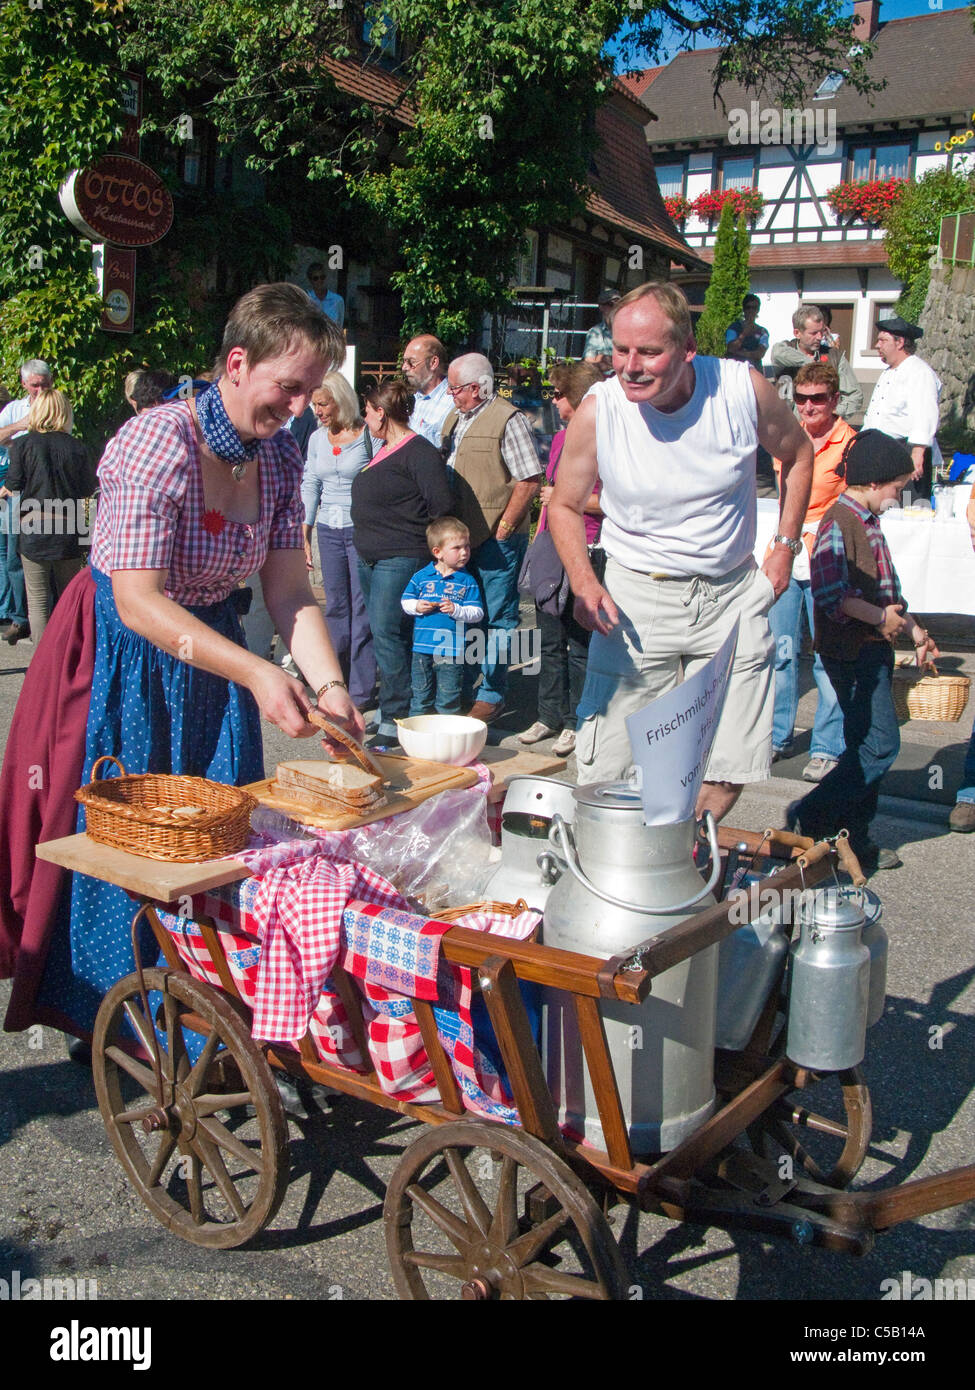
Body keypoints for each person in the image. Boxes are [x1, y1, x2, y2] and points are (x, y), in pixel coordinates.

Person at [0, 282, 361, 1039]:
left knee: (211, 840)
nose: (298, 409)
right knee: (124, 834)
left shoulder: (280, 456)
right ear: (236, 362)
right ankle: (112, 1015)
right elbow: (138, 601)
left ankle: (203, 1012)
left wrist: (328, 683)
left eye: (308, 393)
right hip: (121, 654)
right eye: (286, 389)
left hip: (210, 655)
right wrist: (260, 672)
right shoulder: (156, 440)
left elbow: (290, 589)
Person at [547, 280, 813, 821]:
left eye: (649, 351)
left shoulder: (741, 388)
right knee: (608, 768)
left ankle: (682, 865)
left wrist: (784, 545)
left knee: (727, 764)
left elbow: (799, 453)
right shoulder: (600, 410)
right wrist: (583, 579)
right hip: (635, 598)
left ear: (688, 348)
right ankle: (620, 872)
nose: (630, 366)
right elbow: (563, 504)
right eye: (621, 350)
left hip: (732, 595)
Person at [787, 430, 939, 874]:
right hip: (852, 654)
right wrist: (878, 619)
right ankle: (812, 812)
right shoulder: (840, 522)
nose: (897, 497)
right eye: (895, 488)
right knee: (879, 746)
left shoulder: (868, 523)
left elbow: (885, 591)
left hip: (872, 650)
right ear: (873, 482)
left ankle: (853, 838)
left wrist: (911, 627)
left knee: (861, 744)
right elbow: (833, 595)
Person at [441, 352, 543, 723]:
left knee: (500, 619)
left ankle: (492, 693)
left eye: (457, 389)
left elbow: (530, 479)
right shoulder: (456, 418)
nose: (452, 395)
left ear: (479, 387)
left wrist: (504, 527)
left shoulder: (508, 418)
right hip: (465, 538)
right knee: (469, 616)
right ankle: (470, 685)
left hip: (497, 539)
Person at [352, 377, 452, 745]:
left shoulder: (419, 452)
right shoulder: (381, 449)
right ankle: (394, 708)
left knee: (388, 634)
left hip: (402, 555)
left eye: (367, 412)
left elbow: (440, 505)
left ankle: (397, 715)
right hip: (371, 557)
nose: (364, 420)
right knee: (386, 636)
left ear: (381, 412)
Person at [768, 363, 853, 780]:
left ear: (834, 400)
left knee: (825, 656)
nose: (808, 406)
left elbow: (855, 504)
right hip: (787, 548)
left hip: (825, 555)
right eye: (800, 399)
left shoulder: (849, 443)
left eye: (817, 398)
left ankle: (826, 745)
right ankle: (777, 736)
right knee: (781, 652)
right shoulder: (789, 435)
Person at [518, 360, 603, 758]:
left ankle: (575, 721)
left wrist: (572, 502)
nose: (552, 400)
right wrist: (538, 543)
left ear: (578, 397)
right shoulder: (557, 440)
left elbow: (617, 505)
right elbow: (549, 495)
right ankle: (548, 715)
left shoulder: (606, 440)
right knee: (548, 640)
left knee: (579, 643)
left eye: (558, 393)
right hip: (553, 545)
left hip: (588, 548)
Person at [301, 371, 376, 711]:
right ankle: (334, 682)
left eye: (323, 403)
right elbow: (310, 483)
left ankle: (361, 690)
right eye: (314, 404)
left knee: (361, 610)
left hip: (360, 528)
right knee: (335, 607)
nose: (317, 410)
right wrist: (305, 526)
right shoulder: (317, 438)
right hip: (327, 531)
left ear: (340, 400)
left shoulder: (367, 437)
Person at [0, 388, 96, 646]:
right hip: (70, 526)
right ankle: (69, 660)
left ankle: (42, 668)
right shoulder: (77, 447)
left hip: (34, 526)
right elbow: (88, 488)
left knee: (38, 602)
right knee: (68, 599)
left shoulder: (22, 445)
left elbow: (15, 483)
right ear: (65, 412)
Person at [400, 517, 483, 716]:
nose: (464, 552)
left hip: (452, 649)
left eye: (467, 547)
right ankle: (418, 737)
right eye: (457, 548)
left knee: (448, 698)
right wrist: (417, 606)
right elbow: (405, 602)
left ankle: (447, 739)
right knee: (420, 696)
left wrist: (456, 610)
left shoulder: (467, 580)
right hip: (422, 647)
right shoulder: (421, 576)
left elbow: (477, 613)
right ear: (437, 552)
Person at [861, 315, 942, 500]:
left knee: (908, 507)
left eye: (883, 340)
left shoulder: (919, 372)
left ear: (900, 343)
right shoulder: (888, 373)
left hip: (905, 453)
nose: (877, 345)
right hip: (882, 452)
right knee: (883, 506)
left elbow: (925, 414)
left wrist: (917, 454)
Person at [0, 360, 51, 642]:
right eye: (35, 385)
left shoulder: (58, 404)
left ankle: (39, 617)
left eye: (45, 384)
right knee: (12, 557)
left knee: (41, 556)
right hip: (15, 488)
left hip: (44, 490)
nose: (41, 389)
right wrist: (20, 426)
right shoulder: (14, 410)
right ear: (24, 385)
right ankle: (20, 616)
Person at [771, 304, 863, 423]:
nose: (819, 337)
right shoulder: (785, 350)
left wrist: (833, 414)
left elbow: (855, 395)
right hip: (787, 428)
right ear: (797, 333)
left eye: (822, 332)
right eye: (813, 333)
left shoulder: (835, 357)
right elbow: (777, 352)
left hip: (822, 431)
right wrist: (809, 362)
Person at [402, 335, 453, 447]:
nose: (404, 367)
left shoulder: (452, 403)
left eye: (411, 362)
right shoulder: (412, 400)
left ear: (433, 363)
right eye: (404, 361)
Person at [725, 293, 769, 366]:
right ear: (743, 309)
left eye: (754, 307)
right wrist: (744, 334)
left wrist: (739, 353)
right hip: (735, 369)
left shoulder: (763, 332)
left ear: (758, 310)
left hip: (754, 370)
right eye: (748, 307)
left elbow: (759, 354)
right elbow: (731, 348)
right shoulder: (733, 327)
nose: (751, 310)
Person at [582, 289, 620, 372]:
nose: (616, 308)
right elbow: (588, 364)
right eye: (611, 304)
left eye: (619, 305)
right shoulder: (595, 333)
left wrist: (603, 360)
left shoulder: (630, 330)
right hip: (603, 380)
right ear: (601, 307)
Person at [306, 261, 345, 329]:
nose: (319, 280)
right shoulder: (306, 300)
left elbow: (340, 326)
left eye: (322, 277)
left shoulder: (338, 300)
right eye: (316, 278)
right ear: (310, 280)